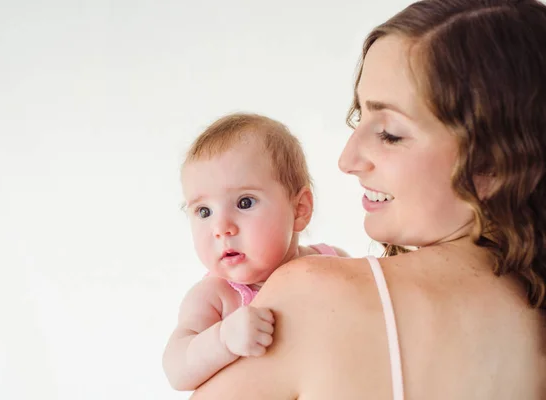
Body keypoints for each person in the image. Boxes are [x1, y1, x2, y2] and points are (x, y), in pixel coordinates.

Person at [191, 0, 546, 398]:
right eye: (360, 118)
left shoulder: (314, 296)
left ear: (497, 162)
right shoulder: (532, 320)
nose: (348, 160)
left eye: (391, 133)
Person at [162, 113, 348, 391]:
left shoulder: (332, 263)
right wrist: (224, 339)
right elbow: (177, 369)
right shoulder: (216, 296)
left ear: (299, 210)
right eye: (204, 211)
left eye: (244, 202)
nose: (221, 227)